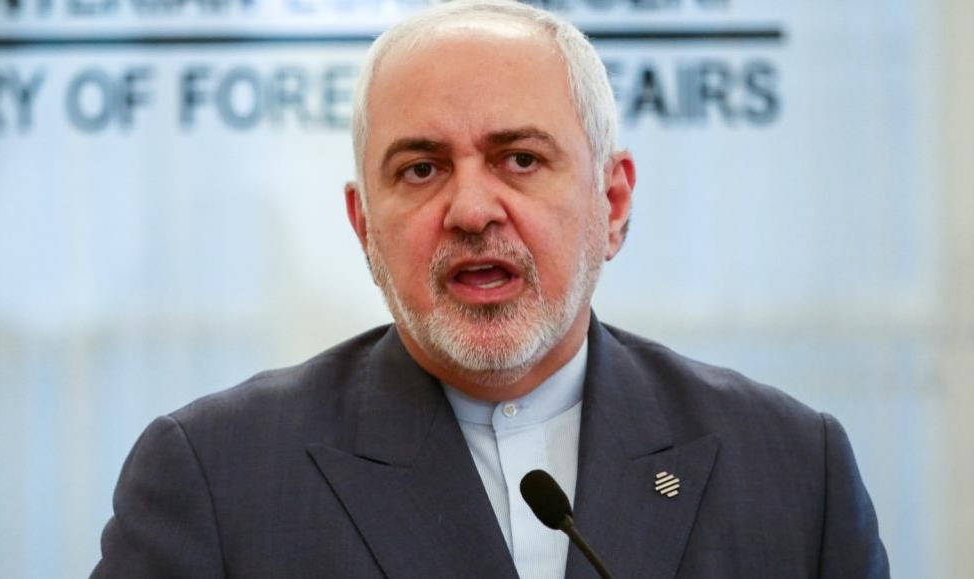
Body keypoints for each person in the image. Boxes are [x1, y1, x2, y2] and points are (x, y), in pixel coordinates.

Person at [92, 1, 889, 577]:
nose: (471, 210)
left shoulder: (792, 469)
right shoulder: (217, 476)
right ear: (364, 226)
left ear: (612, 203)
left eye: (520, 159)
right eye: (421, 169)